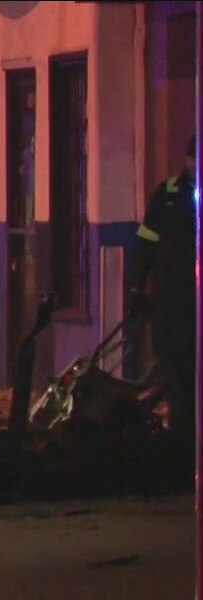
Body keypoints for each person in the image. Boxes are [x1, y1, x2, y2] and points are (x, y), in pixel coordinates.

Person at [132, 133, 197, 463]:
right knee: (175, 370)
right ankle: (180, 441)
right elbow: (146, 243)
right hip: (171, 302)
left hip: (194, 303)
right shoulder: (168, 195)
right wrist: (137, 286)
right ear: (187, 160)